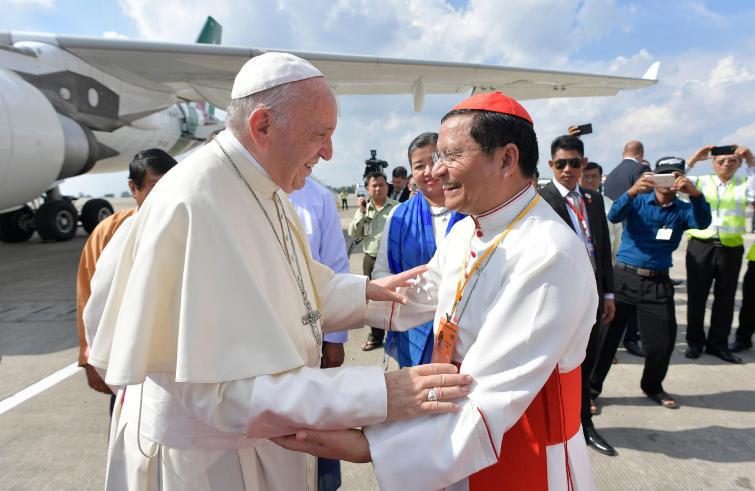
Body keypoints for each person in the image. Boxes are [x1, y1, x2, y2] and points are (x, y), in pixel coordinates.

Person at [87, 52, 472, 490]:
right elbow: (219, 392)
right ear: (263, 125)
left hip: (260, 446)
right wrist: (381, 394)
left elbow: (294, 288)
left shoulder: (261, 187)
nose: (328, 152)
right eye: (319, 134)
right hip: (207, 464)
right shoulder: (195, 204)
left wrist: (369, 294)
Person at [275, 91, 599, 490]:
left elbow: (492, 394)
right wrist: (303, 304)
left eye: (450, 156)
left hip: (519, 447)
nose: (435, 171)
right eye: (433, 158)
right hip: (451, 427)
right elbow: (412, 299)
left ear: (507, 159)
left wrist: (368, 444)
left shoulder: (548, 254)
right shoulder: (468, 227)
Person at [591, 157, 711, 410]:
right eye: (663, 175)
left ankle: (652, 385)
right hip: (624, 277)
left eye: (675, 175)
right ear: (653, 177)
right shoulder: (637, 201)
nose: (669, 180)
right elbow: (613, 215)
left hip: (657, 280)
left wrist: (696, 195)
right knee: (606, 340)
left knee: (662, 343)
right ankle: (591, 390)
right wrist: (632, 192)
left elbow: (702, 223)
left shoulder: (682, 208)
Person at [76, 149, 177, 410]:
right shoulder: (110, 231)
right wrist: (88, 357)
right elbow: (88, 297)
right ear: (134, 187)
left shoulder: (188, 226)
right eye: (156, 185)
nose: (166, 194)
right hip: (124, 360)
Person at [540, 135, 617, 457]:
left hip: (595, 297)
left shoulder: (593, 198)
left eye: (574, 162)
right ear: (551, 165)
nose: (568, 169)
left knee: (587, 362)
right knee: (556, 365)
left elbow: (601, 248)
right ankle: (556, 425)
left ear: (584, 164)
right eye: (561, 163)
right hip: (559, 299)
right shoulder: (540, 200)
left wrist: (609, 293)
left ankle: (584, 424)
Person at [372, 132, 465, 367]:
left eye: (434, 161)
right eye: (419, 165)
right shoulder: (399, 216)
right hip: (413, 328)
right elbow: (381, 272)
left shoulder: (472, 211)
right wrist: (413, 297)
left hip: (466, 330)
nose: (429, 171)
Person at [289, 177, 350, 491]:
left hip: (311, 338)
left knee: (315, 423)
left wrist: (335, 338)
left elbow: (336, 267)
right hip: (265, 347)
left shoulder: (319, 197)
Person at [684, 144, 755, 364]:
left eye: (732, 161)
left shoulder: (744, 184)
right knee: (697, 297)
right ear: (713, 163)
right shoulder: (701, 181)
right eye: (721, 161)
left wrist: (751, 160)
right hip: (701, 245)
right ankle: (695, 342)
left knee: (725, 298)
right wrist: (695, 158)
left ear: (739, 164)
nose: (726, 164)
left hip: (730, 248)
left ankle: (718, 344)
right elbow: (673, 178)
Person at [604, 143, 649, 357]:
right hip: (632, 237)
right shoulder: (638, 171)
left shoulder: (613, 172)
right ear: (641, 155)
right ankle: (631, 338)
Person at [348, 172, 400, 351]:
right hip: (370, 259)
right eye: (374, 186)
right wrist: (362, 212)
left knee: (396, 297)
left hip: (391, 259)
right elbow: (353, 232)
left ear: (387, 187)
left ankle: (399, 335)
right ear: (368, 189)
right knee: (372, 300)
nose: (378, 189)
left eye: (382, 185)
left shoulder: (397, 208)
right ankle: (377, 336)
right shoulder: (365, 208)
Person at [581, 161, 622, 261]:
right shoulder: (573, 203)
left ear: (600, 179)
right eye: (586, 176)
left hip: (605, 263)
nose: (590, 180)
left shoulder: (611, 205)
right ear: (579, 178)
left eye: (594, 176)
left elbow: (618, 238)